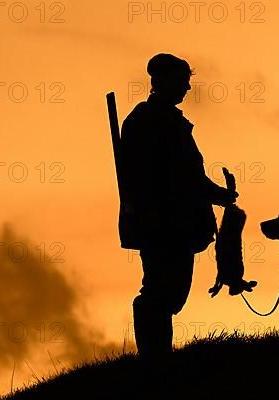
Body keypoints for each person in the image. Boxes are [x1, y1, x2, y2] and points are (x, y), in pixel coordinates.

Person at [118, 53, 238, 357]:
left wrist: (216, 194)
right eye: (182, 80)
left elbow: (188, 176)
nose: (186, 87)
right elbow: (177, 176)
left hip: (176, 222)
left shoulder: (165, 121)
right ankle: (155, 358)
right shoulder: (150, 121)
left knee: (171, 293)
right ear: (163, 80)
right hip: (162, 222)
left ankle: (158, 356)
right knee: (160, 291)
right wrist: (216, 194)